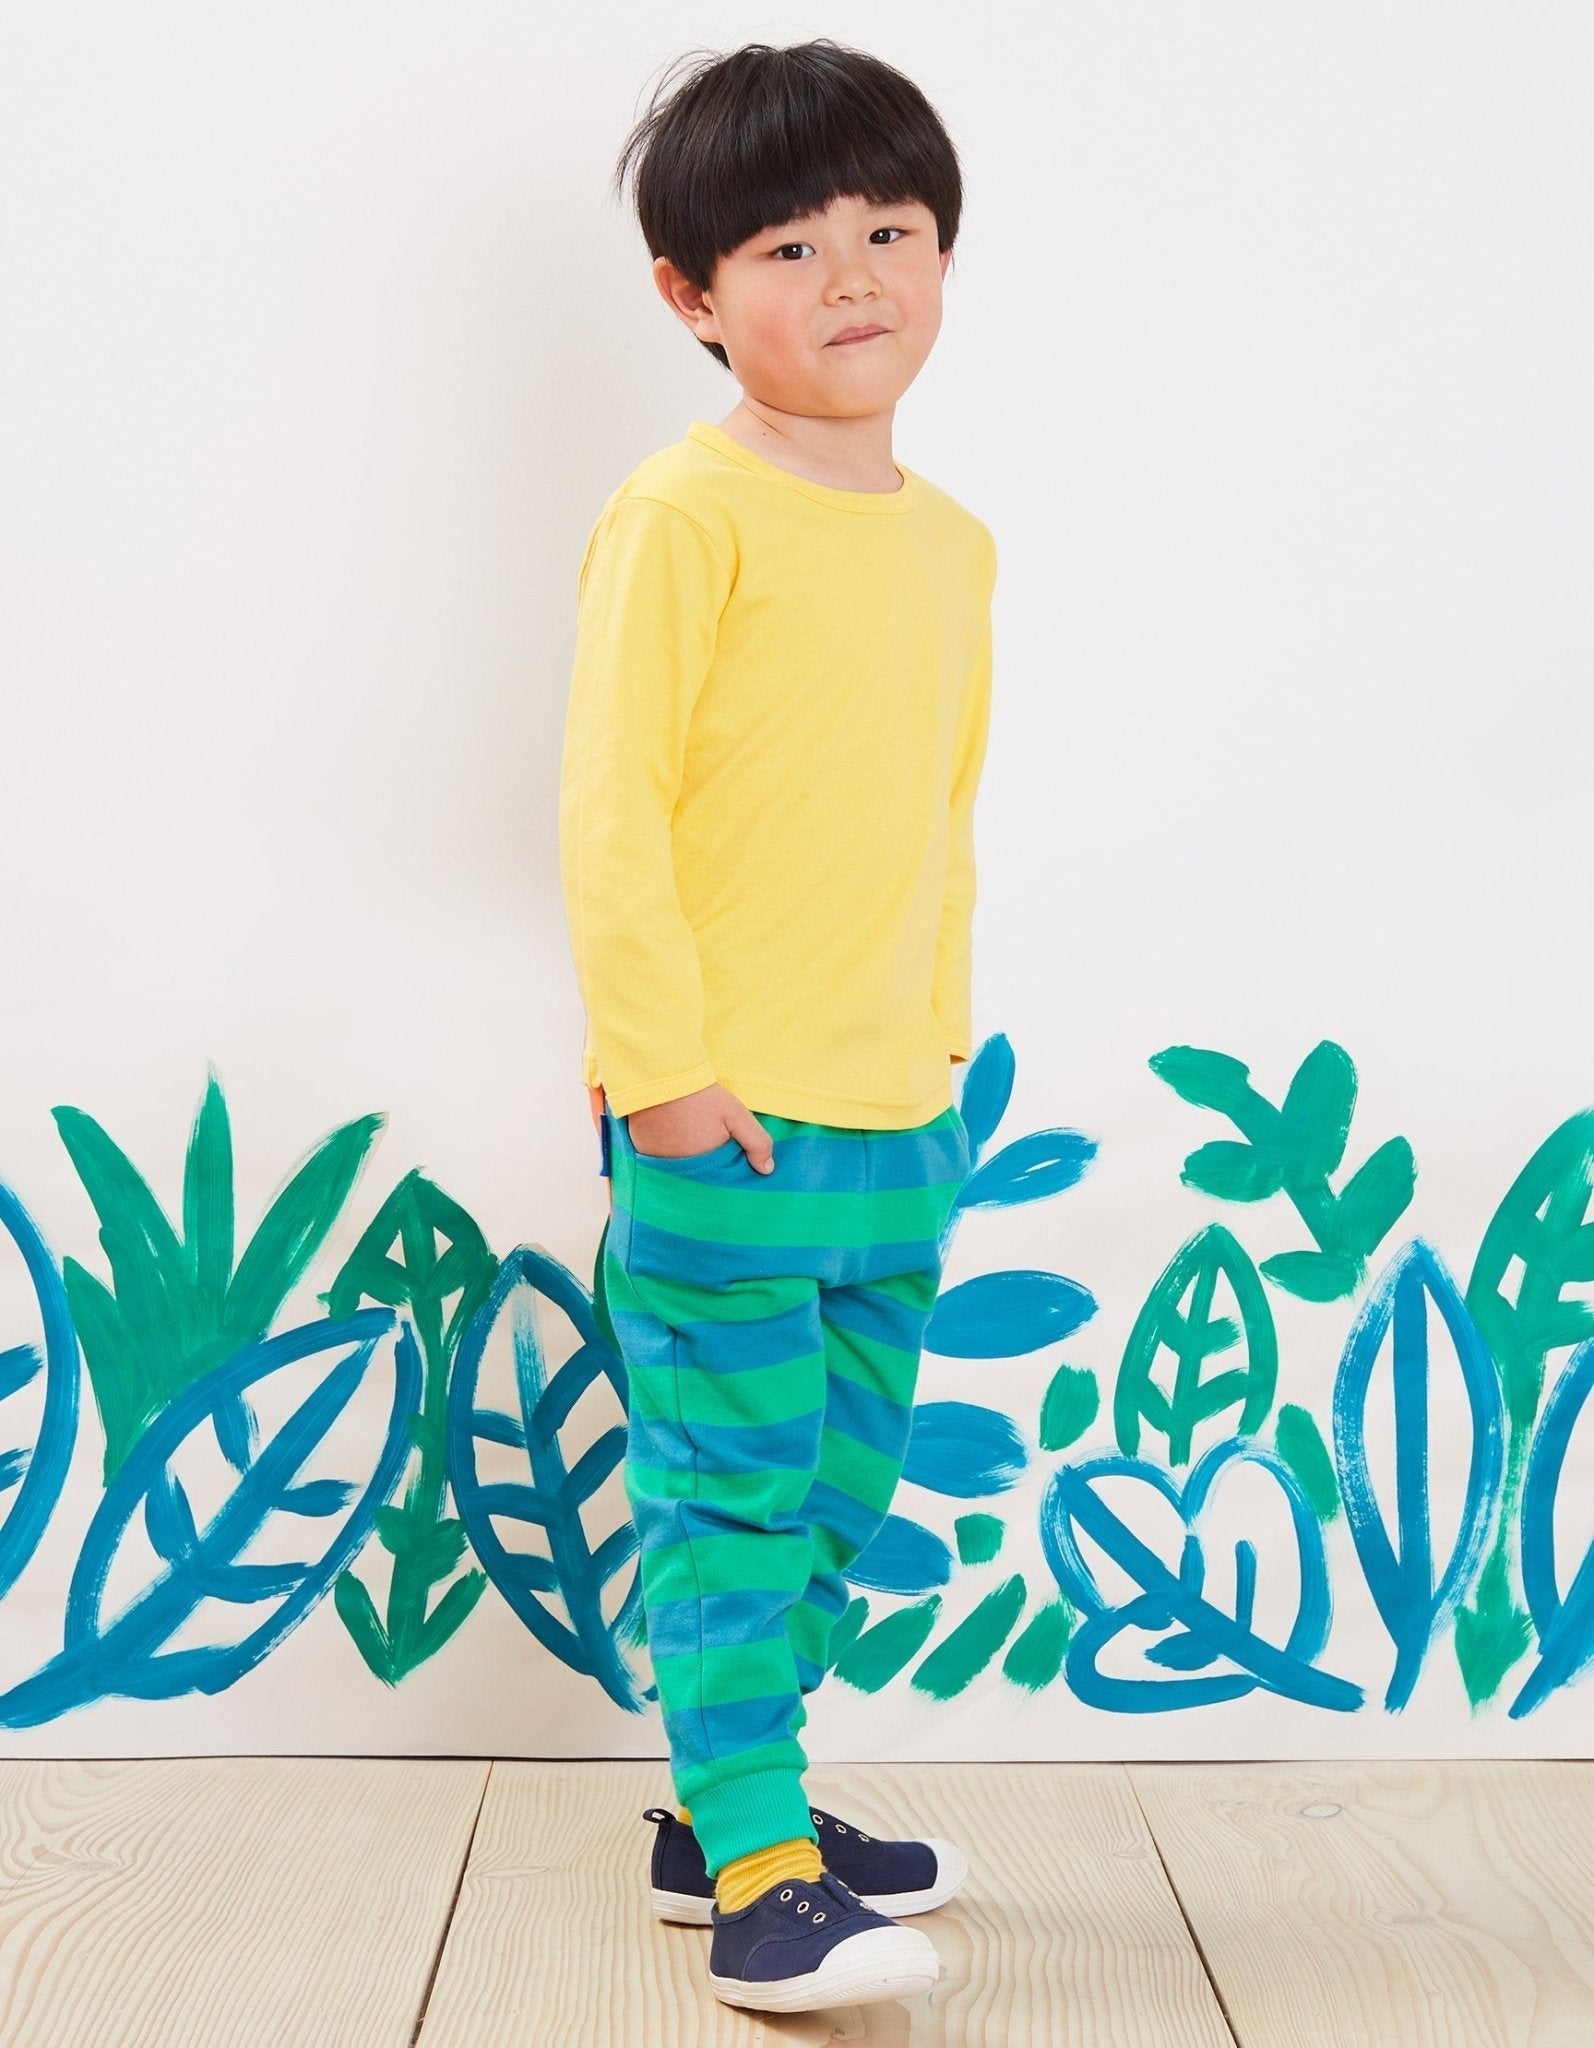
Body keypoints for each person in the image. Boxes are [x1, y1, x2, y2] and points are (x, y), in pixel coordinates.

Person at [557, 36, 996, 2014]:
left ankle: (718, 1800)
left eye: (889, 231)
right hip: (719, 1116)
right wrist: (658, 1070)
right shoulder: (684, 516)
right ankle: (751, 1868)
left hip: (896, 1108)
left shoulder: (947, 543)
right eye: (790, 243)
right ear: (690, 296)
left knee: (832, 1483)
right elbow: (607, 804)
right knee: (727, 1491)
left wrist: (942, 1064)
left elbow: (934, 822)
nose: (850, 278)